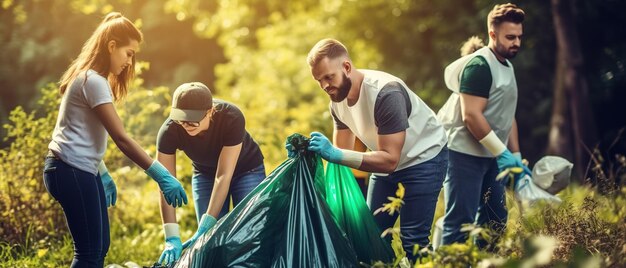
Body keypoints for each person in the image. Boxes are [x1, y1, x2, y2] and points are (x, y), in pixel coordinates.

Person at [43, 12, 188, 267]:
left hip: (79, 169)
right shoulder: (92, 81)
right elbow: (121, 138)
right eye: (128, 53)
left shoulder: (91, 79)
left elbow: (82, 132)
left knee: (99, 248)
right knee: (89, 253)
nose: (130, 62)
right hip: (69, 170)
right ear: (111, 46)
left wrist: (101, 170)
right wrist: (161, 175)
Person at [300, 38, 449, 261]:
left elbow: (389, 160)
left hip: (424, 158)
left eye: (328, 77)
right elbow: (341, 154)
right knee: (372, 238)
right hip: (385, 162)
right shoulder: (337, 101)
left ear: (347, 67)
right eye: (318, 80)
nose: (324, 86)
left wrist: (336, 154)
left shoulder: (385, 93)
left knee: (414, 240)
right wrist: (309, 157)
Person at [437, 3, 531, 248]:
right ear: (492, 34)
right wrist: (502, 153)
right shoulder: (479, 67)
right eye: (510, 37)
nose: (517, 43)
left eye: (519, 37)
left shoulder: (508, 67)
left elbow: (507, 115)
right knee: (460, 223)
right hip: (463, 155)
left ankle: (484, 263)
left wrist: (516, 156)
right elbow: (471, 116)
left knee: (495, 222)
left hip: (493, 157)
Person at [155, 82, 266, 265]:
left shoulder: (231, 117)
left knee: (247, 232)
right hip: (205, 173)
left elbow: (223, 175)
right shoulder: (170, 131)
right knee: (210, 241)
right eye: (181, 118)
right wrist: (171, 236)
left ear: (210, 111)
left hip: (247, 170)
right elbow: (165, 184)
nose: (186, 124)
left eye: (193, 118)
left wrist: (208, 222)